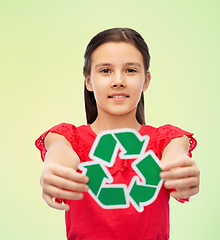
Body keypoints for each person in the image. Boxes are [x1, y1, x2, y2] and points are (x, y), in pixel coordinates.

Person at [35, 28, 200, 240]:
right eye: (105, 71)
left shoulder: (165, 140)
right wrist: (54, 168)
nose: (118, 81)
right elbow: (60, 153)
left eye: (130, 70)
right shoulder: (69, 138)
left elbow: (175, 155)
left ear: (146, 81)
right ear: (88, 81)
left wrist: (181, 170)